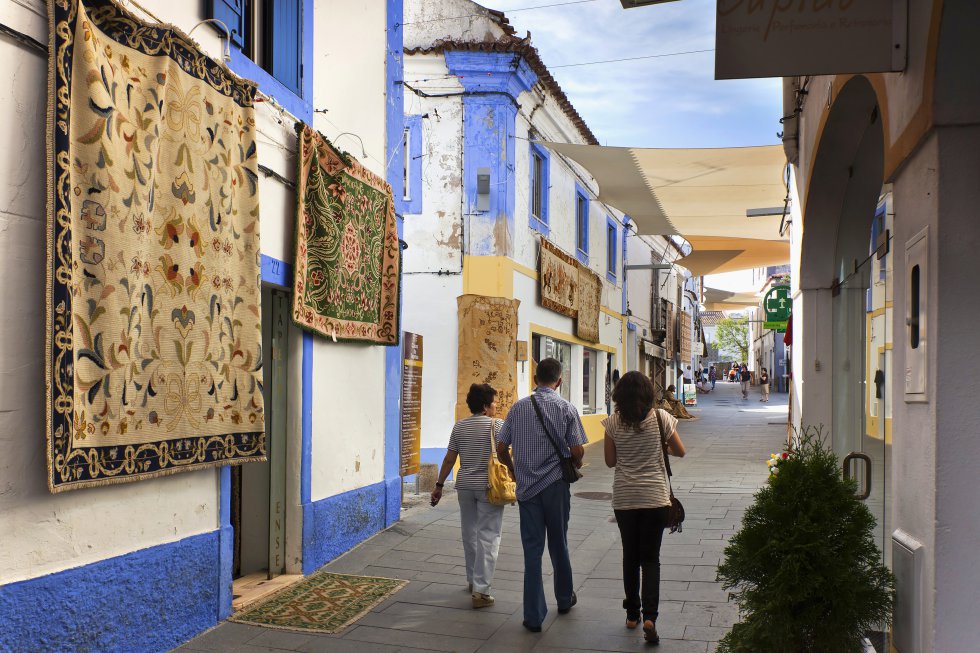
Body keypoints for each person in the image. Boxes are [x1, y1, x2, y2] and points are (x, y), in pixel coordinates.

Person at [496, 358, 587, 632]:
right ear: (559, 381)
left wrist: (513, 472)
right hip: (556, 486)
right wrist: (575, 461)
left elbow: (501, 448)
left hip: (527, 489)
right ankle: (564, 597)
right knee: (559, 542)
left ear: (535, 378)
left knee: (532, 550)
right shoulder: (566, 408)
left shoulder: (518, 408)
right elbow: (577, 450)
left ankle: (533, 615)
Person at [604, 372, 687, 645]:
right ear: (647, 393)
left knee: (630, 556)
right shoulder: (661, 418)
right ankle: (650, 617)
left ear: (619, 396)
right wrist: (659, 446)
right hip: (655, 499)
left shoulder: (613, 422)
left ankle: (631, 615)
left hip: (625, 500)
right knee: (651, 559)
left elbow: (609, 461)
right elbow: (680, 451)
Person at [431, 383, 507, 609]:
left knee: (469, 533)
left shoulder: (460, 427)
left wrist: (439, 485)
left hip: (465, 486)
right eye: (493, 403)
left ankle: (473, 580)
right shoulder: (497, 426)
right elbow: (504, 453)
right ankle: (481, 591)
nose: (496, 407)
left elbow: (449, 459)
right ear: (485, 406)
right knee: (489, 536)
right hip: (489, 486)